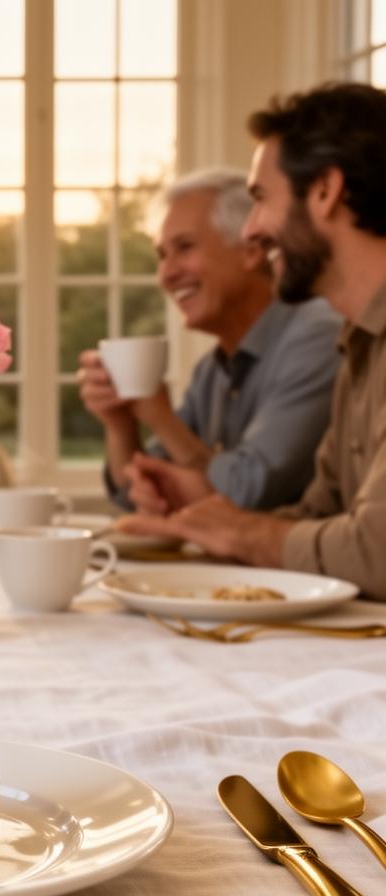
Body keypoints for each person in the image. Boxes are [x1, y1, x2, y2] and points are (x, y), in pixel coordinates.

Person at [118, 82, 386, 599]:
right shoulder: (360, 341)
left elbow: (376, 553)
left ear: (326, 191)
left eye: (260, 199)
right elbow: (321, 515)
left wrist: (240, 532)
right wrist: (207, 515)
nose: (252, 231)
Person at [77, 168, 340, 511]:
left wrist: (160, 418)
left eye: (184, 248)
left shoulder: (318, 337)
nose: (166, 274)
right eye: (162, 256)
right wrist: (121, 423)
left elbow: (249, 492)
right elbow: (135, 494)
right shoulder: (211, 373)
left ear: (250, 249)